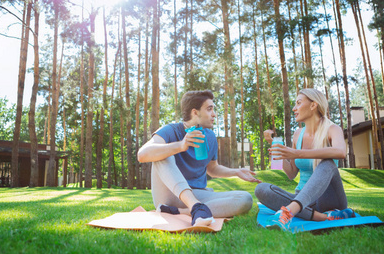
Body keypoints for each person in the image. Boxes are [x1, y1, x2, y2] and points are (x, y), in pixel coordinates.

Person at [138, 90, 261, 226]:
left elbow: (213, 169)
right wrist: (181, 146)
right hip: (170, 195)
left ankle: (182, 211)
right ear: (195, 112)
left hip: (197, 194)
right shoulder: (170, 130)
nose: (214, 114)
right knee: (162, 153)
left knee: (245, 199)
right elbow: (142, 155)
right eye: (209, 109)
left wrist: (235, 172)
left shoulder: (210, 137)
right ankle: (195, 206)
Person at [255, 88, 355, 231]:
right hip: (302, 198)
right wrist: (277, 147)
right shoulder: (297, 134)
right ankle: (318, 216)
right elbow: (291, 174)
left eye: (298, 103)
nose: (294, 108)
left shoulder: (332, 129)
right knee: (261, 189)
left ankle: (289, 211)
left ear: (313, 105)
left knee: (328, 162)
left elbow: (340, 152)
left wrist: (297, 153)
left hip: (328, 199)